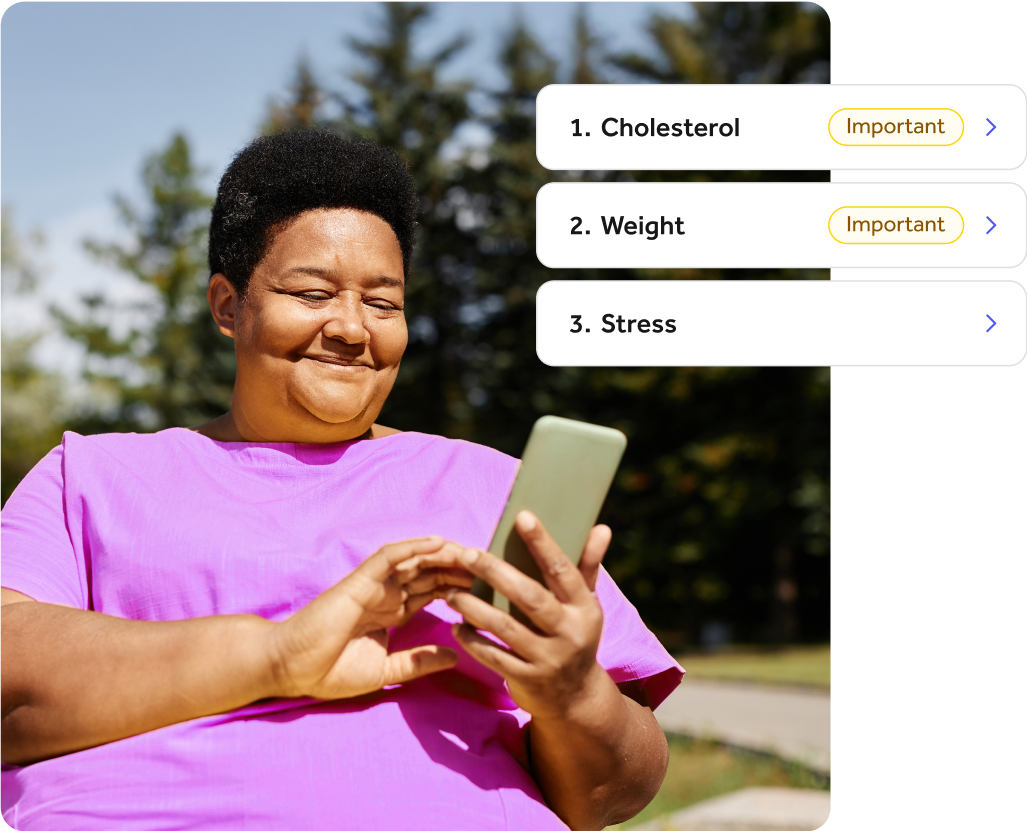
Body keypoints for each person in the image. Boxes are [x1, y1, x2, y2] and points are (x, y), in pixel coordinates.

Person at [0, 130, 682, 831]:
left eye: (383, 304)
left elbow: (613, 793)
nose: (354, 328)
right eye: (312, 292)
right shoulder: (88, 476)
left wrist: (572, 692)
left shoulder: (494, 487)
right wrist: (277, 656)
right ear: (228, 305)